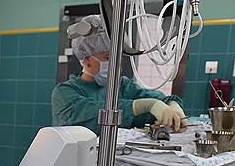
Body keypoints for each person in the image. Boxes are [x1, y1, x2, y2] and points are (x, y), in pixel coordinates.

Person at [51, 14, 186, 135]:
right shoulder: (64, 93)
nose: (113, 64)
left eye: (116, 58)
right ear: (87, 61)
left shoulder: (122, 85)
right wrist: (141, 106)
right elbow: (89, 116)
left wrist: (171, 103)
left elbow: (151, 100)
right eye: (107, 58)